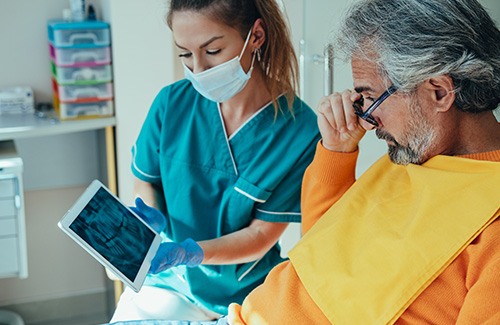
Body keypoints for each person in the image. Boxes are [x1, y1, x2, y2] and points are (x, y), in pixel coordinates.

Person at [225, 0, 500, 323]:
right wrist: (336, 152)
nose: (367, 121)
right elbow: (321, 254)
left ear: (439, 92)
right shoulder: (414, 156)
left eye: (370, 98)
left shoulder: (490, 224)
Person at [110, 0, 320, 322]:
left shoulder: (299, 130)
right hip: (171, 281)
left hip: (247, 292)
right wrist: (148, 215)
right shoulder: (172, 104)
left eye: (212, 51)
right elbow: (146, 179)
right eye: (185, 54)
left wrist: (193, 252)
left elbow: (260, 236)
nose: (198, 69)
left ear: (256, 36)